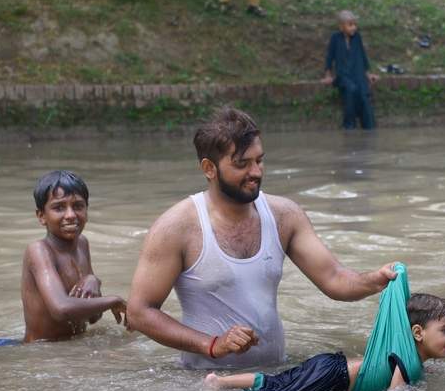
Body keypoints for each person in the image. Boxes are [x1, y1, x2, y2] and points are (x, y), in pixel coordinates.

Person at [127, 106, 397, 369]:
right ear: (209, 168)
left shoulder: (285, 215)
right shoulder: (175, 227)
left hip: (275, 375)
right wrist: (212, 344)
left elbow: (335, 279)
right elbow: (139, 312)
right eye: (242, 164)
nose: (255, 172)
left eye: (259, 160)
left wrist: (374, 280)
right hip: (203, 383)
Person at [203, 293, 445, 391]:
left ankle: (221, 382)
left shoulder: (413, 358)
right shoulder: (405, 359)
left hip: (331, 367)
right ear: (418, 333)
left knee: (279, 382)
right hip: (330, 374)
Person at [21, 171, 127, 342]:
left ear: (87, 210)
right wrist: (114, 301)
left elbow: (93, 317)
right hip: (42, 353)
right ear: (41, 216)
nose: (70, 215)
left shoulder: (82, 244)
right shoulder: (39, 251)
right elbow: (61, 309)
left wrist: (93, 280)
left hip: (71, 347)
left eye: (78, 206)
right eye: (59, 207)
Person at [321, 10, 379, 130]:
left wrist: (368, 74)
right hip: (343, 76)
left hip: (357, 74)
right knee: (350, 90)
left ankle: (369, 128)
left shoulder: (357, 37)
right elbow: (329, 57)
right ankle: (349, 126)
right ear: (341, 27)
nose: (354, 28)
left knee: (363, 94)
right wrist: (328, 75)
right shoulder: (335, 38)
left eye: (355, 25)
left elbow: (362, 56)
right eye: (350, 25)